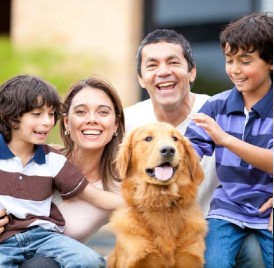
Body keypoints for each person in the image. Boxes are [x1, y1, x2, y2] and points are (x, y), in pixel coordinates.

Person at [123, 28, 268, 267]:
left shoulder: (219, 111)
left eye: (173, 62)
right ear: (140, 78)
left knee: (255, 252)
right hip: (149, 236)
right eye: (152, 65)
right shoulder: (127, 122)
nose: (163, 72)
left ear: (192, 72)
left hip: (217, 228)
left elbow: (260, 160)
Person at [0, 74, 124, 267]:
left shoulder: (54, 162)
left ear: (115, 123)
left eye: (51, 115)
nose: (48, 122)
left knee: (90, 261)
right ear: (66, 122)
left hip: (45, 240)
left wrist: (149, 203)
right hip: (4, 242)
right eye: (81, 111)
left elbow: (98, 197)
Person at [185, 12, 273, 268]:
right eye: (229, 60)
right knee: (214, 262)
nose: (235, 70)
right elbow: (188, 156)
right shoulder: (216, 107)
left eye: (245, 61)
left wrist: (224, 139)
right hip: (227, 208)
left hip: (268, 208)